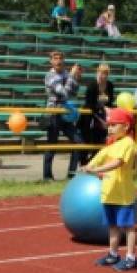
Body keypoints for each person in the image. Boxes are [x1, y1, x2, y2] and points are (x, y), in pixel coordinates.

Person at [85, 107, 137, 271]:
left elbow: (118, 162)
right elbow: (99, 157)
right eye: (109, 125)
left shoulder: (128, 144)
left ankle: (130, 258)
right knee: (113, 226)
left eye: (114, 125)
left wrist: (96, 169)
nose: (110, 128)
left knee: (128, 227)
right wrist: (89, 166)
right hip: (109, 193)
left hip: (123, 195)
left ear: (126, 126)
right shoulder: (111, 144)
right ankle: (113, 254)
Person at [41, 51, 83, 181]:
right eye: (55, 58)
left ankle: (71, 174)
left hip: (65, 114)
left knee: (78, 142)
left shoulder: (66, 74)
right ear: (51, 61)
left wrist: (76, 78)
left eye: (60, 58)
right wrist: (71, 76)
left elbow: (74, 92)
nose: (58, 61)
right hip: (53, 114)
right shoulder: (49, 75)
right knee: (52, 145)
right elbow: (64, 92)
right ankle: (47, 176)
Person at [78, 62, 115, 163]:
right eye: (101, 72)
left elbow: (110, 102)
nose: (103, 75)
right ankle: (83, 164)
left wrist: (107, 116)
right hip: (89, 117)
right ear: (97, 72)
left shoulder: (110, 85)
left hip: (103, 117)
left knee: (99, 144)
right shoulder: (92, 85)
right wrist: (101, 115)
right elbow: (90, 104)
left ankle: (93, 164)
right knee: (86, 143)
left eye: (106, 73)